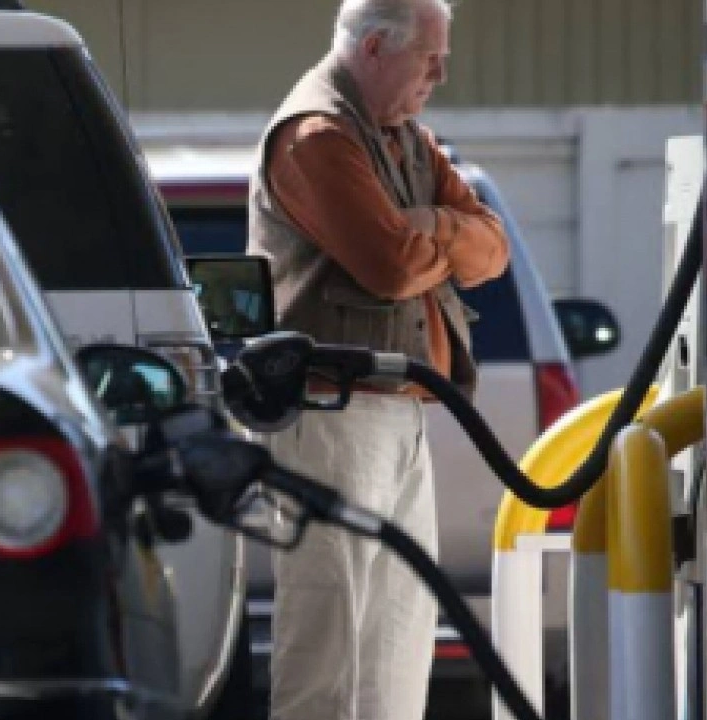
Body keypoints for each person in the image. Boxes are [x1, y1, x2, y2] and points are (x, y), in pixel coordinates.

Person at [246, 0, 510, 718]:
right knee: (329, 637)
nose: (442, 73)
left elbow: (495, 250)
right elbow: (389, 267)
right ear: (372, 47)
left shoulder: (407, 141)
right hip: (331, 414)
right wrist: (442, 235)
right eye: (429, 56)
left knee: (398, 635)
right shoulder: (315, 137)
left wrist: (432, 227)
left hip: (395, 410)